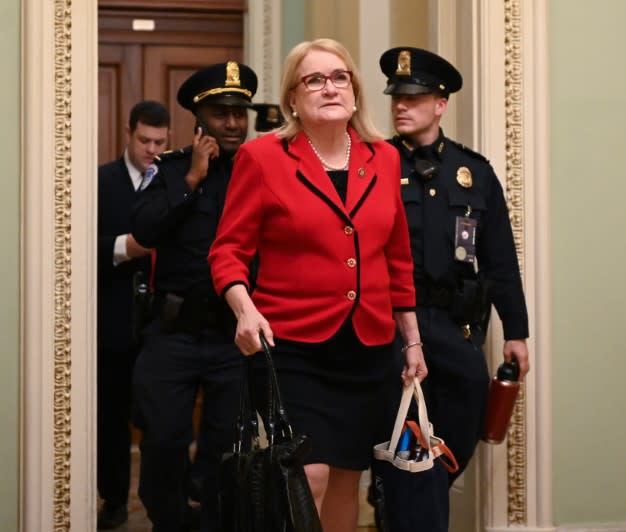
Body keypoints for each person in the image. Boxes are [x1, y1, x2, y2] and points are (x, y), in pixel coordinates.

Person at [207, 38, 427, 532]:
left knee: (348, 477)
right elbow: (227, 251)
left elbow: (397, 257)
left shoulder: (384, 158)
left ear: (354, 91)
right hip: (292, 345)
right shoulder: (263, 158)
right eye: (314, 79)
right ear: (292, 98)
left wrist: (411, 339)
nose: (329, 87)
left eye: (339, 77)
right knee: (308, 473)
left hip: (368, 345)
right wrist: (244, 308)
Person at [375, 45, 531, 526]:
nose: (401, 105)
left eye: (414, 97)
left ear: (440, 104)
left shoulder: (474, 173)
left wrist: (516, 331)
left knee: (453, 444)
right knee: (403, 453)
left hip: (457, 332)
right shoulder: (373, 164)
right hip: (396, 332)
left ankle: (402, 509)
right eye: (397, 97)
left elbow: (500, 259)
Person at [130, 61, 258, 532]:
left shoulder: (259, 169)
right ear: (198, 118)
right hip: (173, 336)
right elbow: (143, 230)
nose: (231, 123)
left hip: (232, 338)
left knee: (226, 452)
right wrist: (191, 182)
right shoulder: (169, 170)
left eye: (239, 113)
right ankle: (170, 520)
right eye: (221, 112)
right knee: (163, 442)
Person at [96, 100, 169, 530]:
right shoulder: (100, 180)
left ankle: (164, 502)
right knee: (110, 417)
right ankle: (114, 498)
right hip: (112, 318)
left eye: (159, 142)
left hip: (161, 323)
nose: (151, 149)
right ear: (129, 133)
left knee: (160, 419)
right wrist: (127, 247)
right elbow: (79, 241)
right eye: (144, 140)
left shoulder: (173, 178)